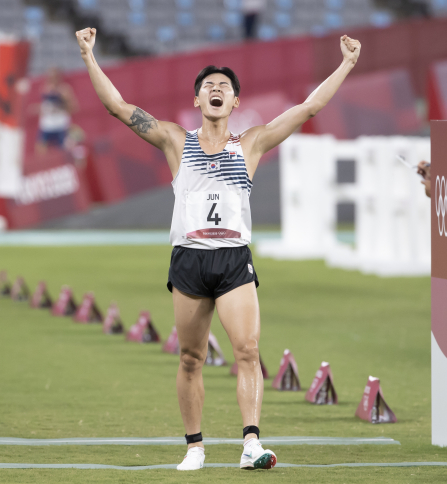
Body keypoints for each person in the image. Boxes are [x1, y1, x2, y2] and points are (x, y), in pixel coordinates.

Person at [75, 27, 361, 471]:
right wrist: (89, 55)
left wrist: (345, 64)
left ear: (234, 103)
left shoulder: (250, 143)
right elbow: (117, 107)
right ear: (197, 101)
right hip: (188, 258)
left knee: (248, 350)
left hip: (232, 259)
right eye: (208, 86)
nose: (215, 90)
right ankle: (194, 448)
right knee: (191, 357)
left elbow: (309, 108)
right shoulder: (175, 140)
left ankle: (251, 444)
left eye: (223, 87)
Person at [35, 67, 78, 153]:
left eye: (54, 77)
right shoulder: (44, 89)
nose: (52, 79)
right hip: (46, 125)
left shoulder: (65, 90)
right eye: (50, 77)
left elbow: (74, 107)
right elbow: (45, 106)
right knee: (40, 149)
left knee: (63, 150)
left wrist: (62, 101)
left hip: (60, 125)